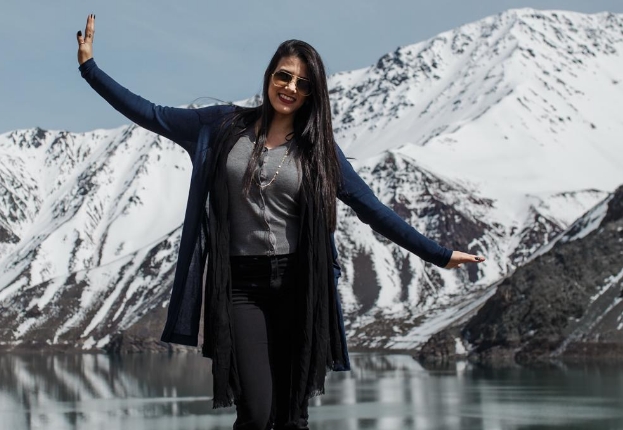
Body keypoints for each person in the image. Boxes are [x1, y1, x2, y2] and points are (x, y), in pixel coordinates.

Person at [74, 14, 484, 429]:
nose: (290, 88)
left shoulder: (319, 151)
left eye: (302, 84)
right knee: (256, 413)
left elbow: (371, 207)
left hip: (299, 286)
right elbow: (152, 114)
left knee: (291, 417)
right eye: (283, 76)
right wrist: (90, 69)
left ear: (311, 94)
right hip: (241, 288)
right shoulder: (220, 127)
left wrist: (439, 254)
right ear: (269, 76)